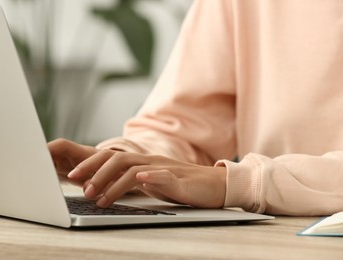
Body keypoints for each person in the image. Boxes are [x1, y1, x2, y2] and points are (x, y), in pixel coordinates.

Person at [49, 0, 343, 216]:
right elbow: (184, 126)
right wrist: (126, 164)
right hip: (273, 241)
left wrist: (237, 183)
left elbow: (235, 182)